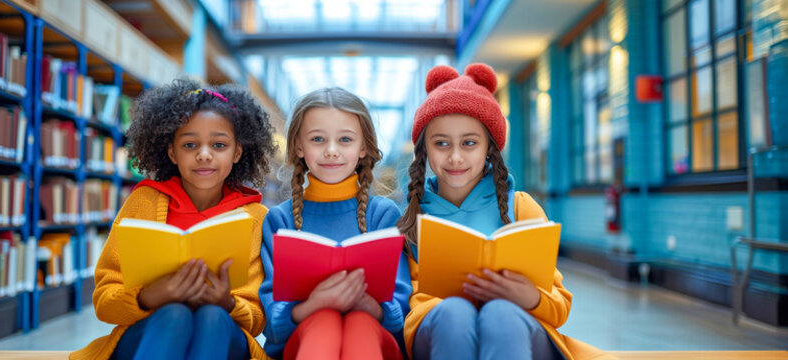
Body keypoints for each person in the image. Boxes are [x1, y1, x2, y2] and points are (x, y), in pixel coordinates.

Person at [398, 64, 612, 360]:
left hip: (516, 328)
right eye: (441, 143)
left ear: (489, 148)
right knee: (454, 313)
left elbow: (559, 305)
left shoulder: (521, 206)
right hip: (439, 329)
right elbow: (406, 303)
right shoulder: (411, 216)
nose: (456, 156)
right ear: (424, 150)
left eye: (469, 143)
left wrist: (531, 297)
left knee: (500, 313)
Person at [71, 78, 277, 360]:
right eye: (190, 145)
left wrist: (226, 302)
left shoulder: (256, 218)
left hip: (222, 336)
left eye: (219, 145)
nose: (204, 155)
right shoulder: (143, 203)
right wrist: (150, 297)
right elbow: (105, 302)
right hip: (153, 331)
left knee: (212, 316)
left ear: (238, 152)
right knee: (175, 314)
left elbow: (256, 320)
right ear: (172, 152)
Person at [258, 87, 410, 360]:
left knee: (359, 323)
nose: (331, 151)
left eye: (345, 140)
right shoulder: (279, 220)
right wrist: (315, 305)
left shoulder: (383, 215)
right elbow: (269, 323)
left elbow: (400, 313)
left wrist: (368, 305)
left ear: (363, 148)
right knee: (325, 320)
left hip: (374, 339)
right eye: (318, 139)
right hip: (303, 342)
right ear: (298, 147)